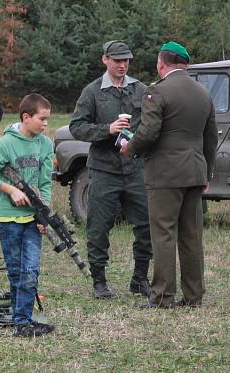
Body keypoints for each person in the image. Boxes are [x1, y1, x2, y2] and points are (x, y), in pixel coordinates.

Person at [121, 41, 218, 308]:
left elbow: (149, 131)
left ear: (161, 63)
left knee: (163, 233)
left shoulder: (157, 91)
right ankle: (194, 295)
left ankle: (163, 295)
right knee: (191, 235)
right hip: (195, 172)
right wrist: (207, 172)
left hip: (165, 174)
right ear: (184, 64)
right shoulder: (203, 93)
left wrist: (130, 147)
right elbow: (211, 139)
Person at [69, 40, 152, 299]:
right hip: (104, 169)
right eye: (117, 60)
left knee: (147, 225)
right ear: (105, 59)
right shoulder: (93, 92)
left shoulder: (141, 90)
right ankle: (99, 282)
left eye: (126, 60)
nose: (122, 65)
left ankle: (139, 279)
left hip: (135, 168)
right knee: (98, 226)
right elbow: (77, 127)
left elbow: (153, 123)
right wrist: (107, 129)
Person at [0, 93, 55, 337]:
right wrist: (9, 190)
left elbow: (45, 184)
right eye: (42, 119)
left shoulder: (45, 145)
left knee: (31, 270)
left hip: (32, 219)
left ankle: (23, 320)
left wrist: (44, 215)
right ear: (26, 117)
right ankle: (21, 320)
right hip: (9, 219)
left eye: (47, 120)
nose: (45, 125)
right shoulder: (6, 144)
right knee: (16, 271)